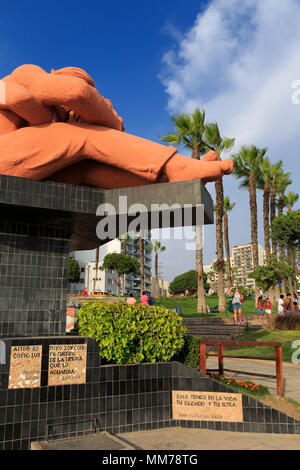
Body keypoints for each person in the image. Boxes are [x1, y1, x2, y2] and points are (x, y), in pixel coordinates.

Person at [0, 64, 233, 189]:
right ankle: (176, 167)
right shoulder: (26, 73)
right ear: (55, 75)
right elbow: (73, 93)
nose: (74, 112)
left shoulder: (55, 125)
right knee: (82, 137)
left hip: (25, 168)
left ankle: (167, 180)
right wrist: (109, 119)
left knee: (87, 168)